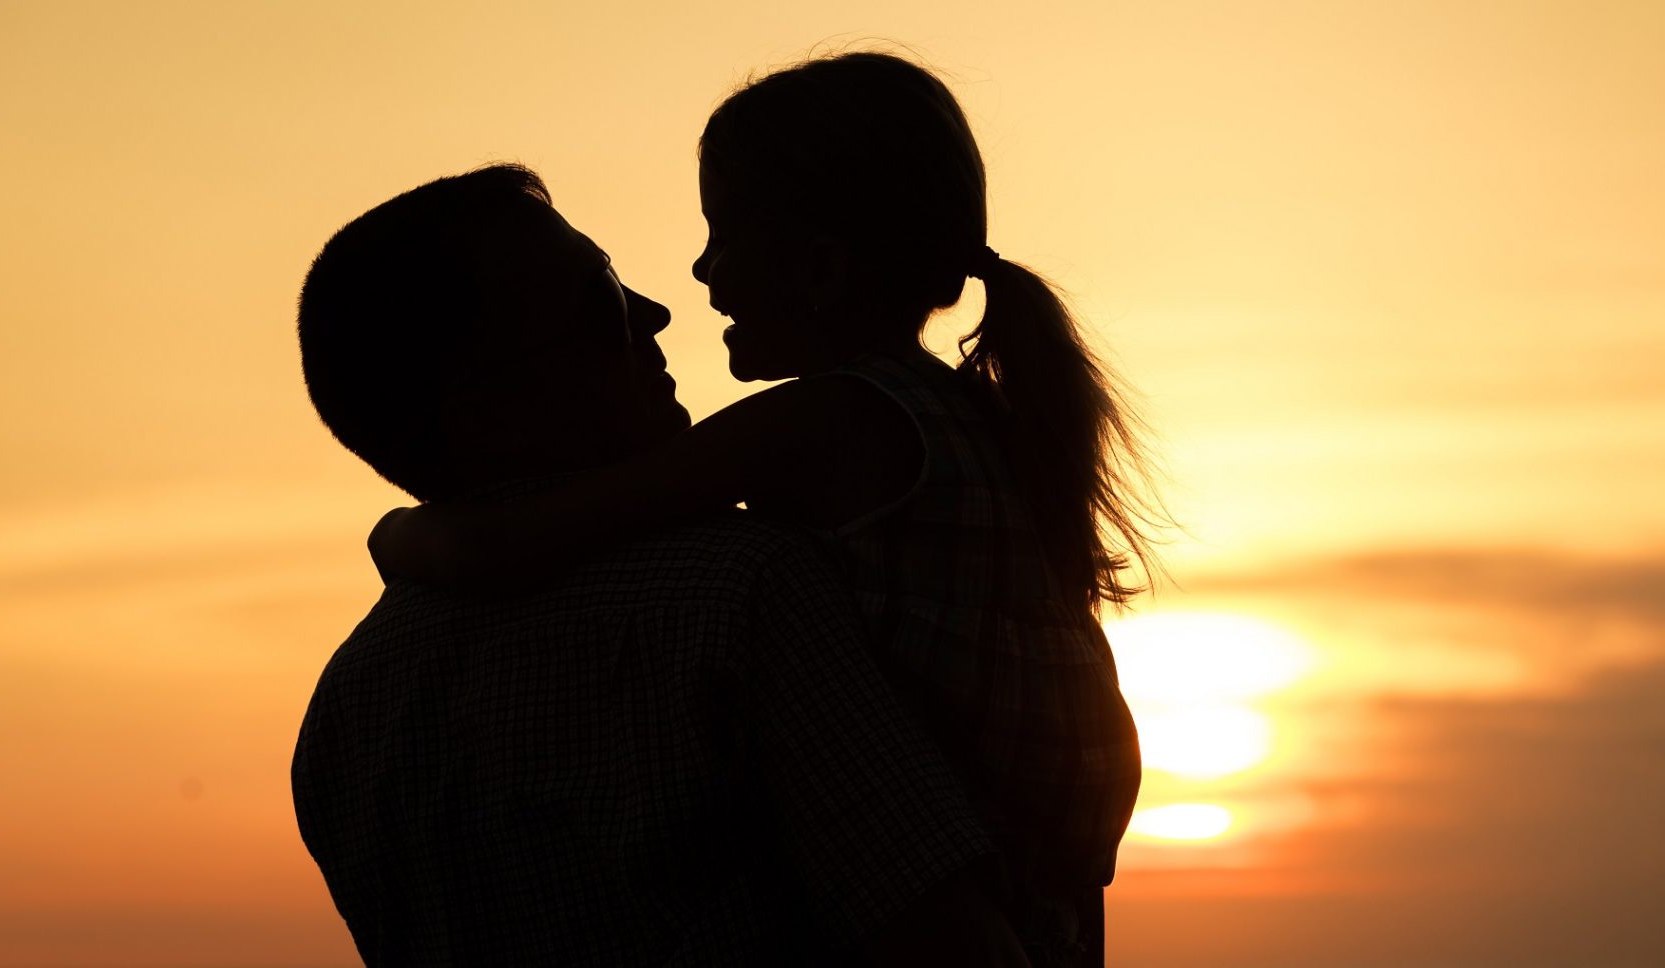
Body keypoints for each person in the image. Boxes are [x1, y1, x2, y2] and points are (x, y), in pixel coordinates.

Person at [372, 51, 1162, 966]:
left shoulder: (826, 422)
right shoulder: (966, 413)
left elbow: (521, 540)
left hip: (961, 882)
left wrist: (402, 532)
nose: (700, 273)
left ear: (820, 267)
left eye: (723, 233)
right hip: (1045, 882)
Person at [291, 163, 1030, 966]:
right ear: (486, 408)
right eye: (601, 299)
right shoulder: (740, 593)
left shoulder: (345, 714)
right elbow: (951, 942)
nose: (656, 311)